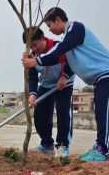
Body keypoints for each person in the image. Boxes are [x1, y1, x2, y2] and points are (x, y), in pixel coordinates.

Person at [22, 7, 109, 162]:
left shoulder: (75, 28)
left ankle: (104, 152)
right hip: (100, 79)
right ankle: (99, 148)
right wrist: (35, 62)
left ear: (57, 19)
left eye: (49, 25)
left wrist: (37, 61)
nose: (49, 29)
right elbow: (57, 57)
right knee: (100, 114)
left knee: (106, 114)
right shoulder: (67, 38)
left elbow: (59, 51)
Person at [23, 27, 75, 157]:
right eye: (31, 47)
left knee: (63, 112)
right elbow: (33, 76)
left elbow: (73, 62)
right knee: (40, 114)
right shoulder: (33, 55)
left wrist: (66, 76)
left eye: (35, 45)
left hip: (64, 83)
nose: (34, 49)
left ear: (42, 38)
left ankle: (63, 145)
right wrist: (33, 94)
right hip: (46, 85)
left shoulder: (59, 47)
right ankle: (47, 144)